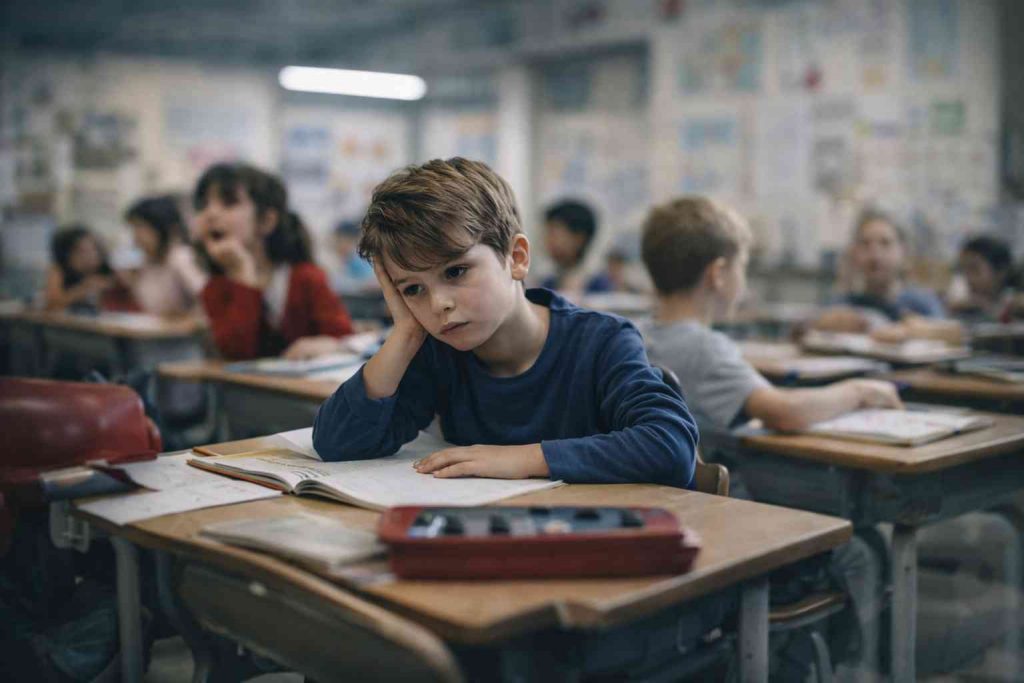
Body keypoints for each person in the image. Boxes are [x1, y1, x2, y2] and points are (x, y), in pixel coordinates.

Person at [313, 158, 698, 489]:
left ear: (516, 257)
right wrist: (406, 333)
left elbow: (672, 447)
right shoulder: (439, 351)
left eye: (456, 271)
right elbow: (337, 444)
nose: (439, 304)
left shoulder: (601, 342)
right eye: (413, 289)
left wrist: (523, 460)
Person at [639, 196, 895, 678]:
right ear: (718, 274)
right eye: (744, 267)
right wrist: (860, 389)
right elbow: (786, 412)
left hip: (669, 516)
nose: (743, 279)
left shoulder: (637, 334)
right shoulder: (705, 346)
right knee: (861, 550)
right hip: (727, 524)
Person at [193, 163, 354, 360]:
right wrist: (243, 275)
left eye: (229, 203)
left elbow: (347, 339)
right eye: (203, 205)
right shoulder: (215, 287)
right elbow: (236, 352)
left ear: (266, 221)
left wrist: (331, 345)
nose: (210, 214)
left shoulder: (306, 277)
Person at [814, 208, 944, 333]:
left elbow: (948, 334)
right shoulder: (843, 304)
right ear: (854, 254)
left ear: (903, 252)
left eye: (885, 243)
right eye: (865, 244)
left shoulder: (922, 303)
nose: (875, 254)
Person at [122, 195, 206, 316]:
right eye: (133, 229)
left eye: (140, 228)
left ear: (161, 227)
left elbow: (208, 299)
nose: (136, 238)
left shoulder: (180, 258)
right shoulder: (147, 263)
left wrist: (188, 319)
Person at [42, 225, 134, 313]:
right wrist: (82, 290)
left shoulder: (109, 270)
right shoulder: (60, 270)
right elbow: (50, 304)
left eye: (94, 249)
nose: (91, 256)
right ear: (66, 255)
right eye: (81, 251)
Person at [539, 200, 612, 294]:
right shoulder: (548, 283)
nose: (547, 240)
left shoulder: (600, 285)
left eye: (553, 234)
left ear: (579, 238)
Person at [948, 234, 1018, 323]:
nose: (968, 278)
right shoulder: (965, 307)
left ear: (1000, 271)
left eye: (974, 269)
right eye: (964, 270)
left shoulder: (1015, 306)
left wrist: (989, 309)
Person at [330, 219, 377, 293]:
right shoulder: (347, 260)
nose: (336, 245)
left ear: (350, 240)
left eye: (339, 240)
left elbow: (372, 283)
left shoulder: (358, 259)